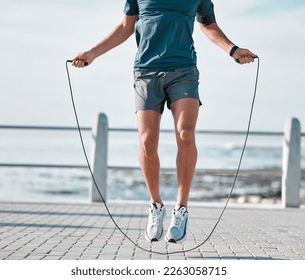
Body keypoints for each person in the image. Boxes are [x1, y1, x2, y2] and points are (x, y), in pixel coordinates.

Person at [71, 0, 256, 244]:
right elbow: (126, 27)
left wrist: (233, 50)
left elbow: (208, 25)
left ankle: (181, 209)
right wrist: (91, 54)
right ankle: (156, 206)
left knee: (185, 133)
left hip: (184, 70)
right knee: (147, 140)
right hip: (146, 72)